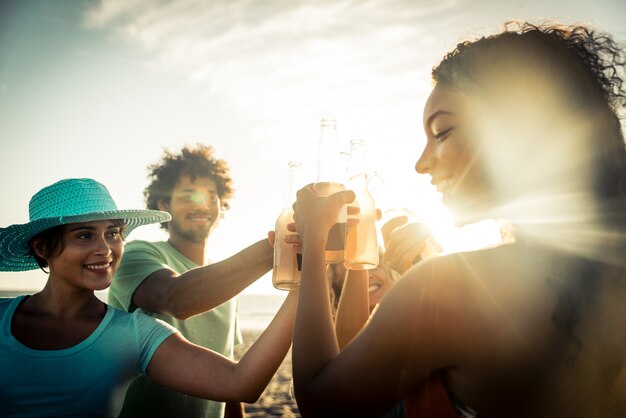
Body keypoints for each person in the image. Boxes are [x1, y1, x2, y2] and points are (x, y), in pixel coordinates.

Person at [290, 21, 626, 417]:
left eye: (442, 131)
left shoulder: (446, 291)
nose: (420, 163)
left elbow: (320, 401)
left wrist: (314, 243)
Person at [0, 178, 297, 418]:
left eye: (113, 233)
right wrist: (272, 251)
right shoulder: (3, 316)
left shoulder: (135, 333)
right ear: (41, 247)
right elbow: (178, 297)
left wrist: (301, 284)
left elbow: (240, 382)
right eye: (84, 235)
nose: (105, 248)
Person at [108, 144, 274, 418]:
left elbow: (229, 374)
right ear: (163, 204)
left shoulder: (223, 280)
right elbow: (177, 299)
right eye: (188, 196)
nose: (202, 204)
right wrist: (275, 248)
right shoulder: (138, 253)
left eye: (212, 196)